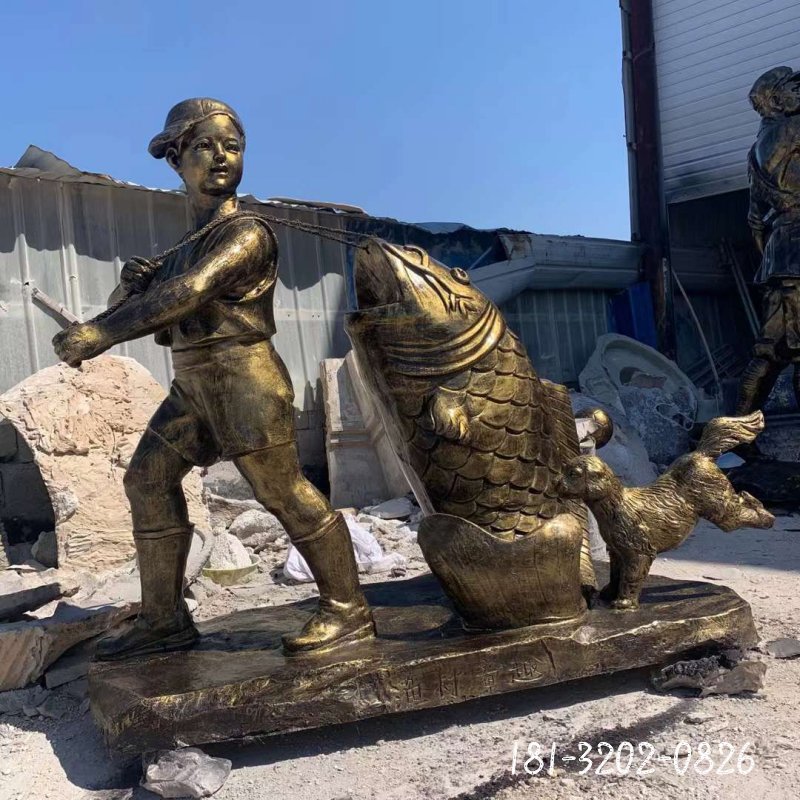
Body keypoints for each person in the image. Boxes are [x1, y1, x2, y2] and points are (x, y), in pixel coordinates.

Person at [52, 98, 375, 660]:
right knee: (147, 480)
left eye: (233, 146)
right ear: (175, 159)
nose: (222, 156)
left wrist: (100, 334)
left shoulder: (247, 232)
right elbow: (156, 301)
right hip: (193, 385)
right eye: (205, 145)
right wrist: (128, 288)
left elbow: (189, 293)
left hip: (244, 377)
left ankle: (348, 610)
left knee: (281, 491)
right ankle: (164, 620)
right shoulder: (183, 247)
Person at [737, 67, 800, 414]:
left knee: (770, 351)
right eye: (793, 88)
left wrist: (773, 259)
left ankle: (737, 433)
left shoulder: (755, 152)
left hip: (780, 256)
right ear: (775, 100)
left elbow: (755, 223)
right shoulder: (794, 127)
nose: (799, 93)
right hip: (796, 253)